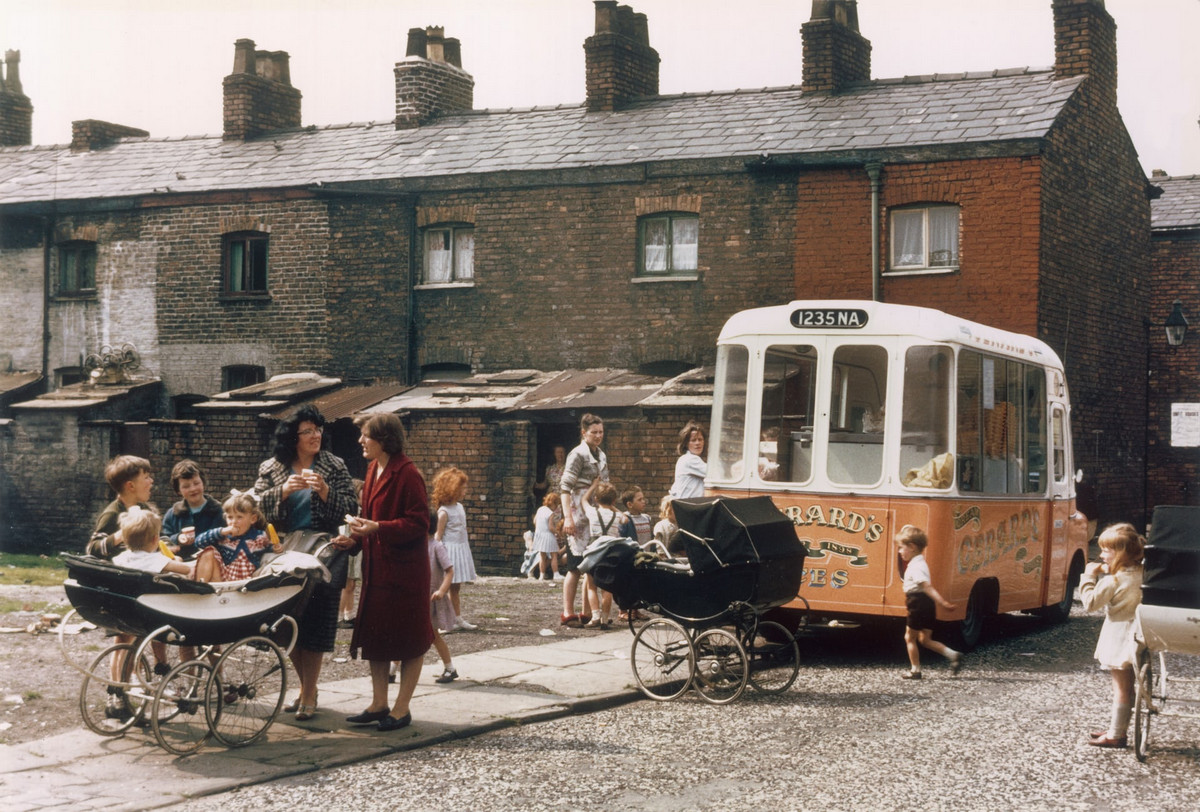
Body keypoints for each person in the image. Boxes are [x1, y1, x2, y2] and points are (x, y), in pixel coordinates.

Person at [254, 404, 358, 722]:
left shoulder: (333, 465)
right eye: (308, 431)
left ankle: (310, 692)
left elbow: (351, 507)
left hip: (324, 549)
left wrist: (325, 491)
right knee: (288, 623)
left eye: (318, 430)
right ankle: (303, 688)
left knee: (315, 621)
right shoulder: (272, 468)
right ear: (293, 436)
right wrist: (281, 492)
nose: (315, 436)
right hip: (284, 549)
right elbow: (254, 510)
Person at [336, 412, 432, 732]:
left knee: (408, 639)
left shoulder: (408, 474)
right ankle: (379, 704)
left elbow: (419, 523)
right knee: (376, 638)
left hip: (405, 573)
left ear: (384, 439)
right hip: (377, 571)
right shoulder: (372, 469)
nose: (360, 441)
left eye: (366, 436)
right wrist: (351, 539)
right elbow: (368, 520)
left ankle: (402, 708)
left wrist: (379, 527)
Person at [1080, 522, 1145, 748]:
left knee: (1121, 688)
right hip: (1140, 635)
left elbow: (1089, 603)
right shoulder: (1142, 574)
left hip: (1119, 637)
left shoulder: (1113, 581)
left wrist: (1089, 576)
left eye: (1106, 550)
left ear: (1120, 553)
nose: (1101, 554)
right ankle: (1117, 728)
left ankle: (1117, 734)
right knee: (1128, 687)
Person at [559, 413, 609, 627]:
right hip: (577, 510)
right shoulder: (577, 454)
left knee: (591, 564)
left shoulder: (602, 455)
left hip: (594, 511)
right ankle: (567, 612)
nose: (598, 436)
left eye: (600, 432)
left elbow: (605, 485)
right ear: (583, 433)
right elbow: (564, 488)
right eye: (594, 432)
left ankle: (587, 611)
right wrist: (567, 518)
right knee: (574, 565)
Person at [896, 524, 962, 679]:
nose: (899, 552)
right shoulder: (920, 562)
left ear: (912, 547)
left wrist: (943, 602)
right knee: (925, 640)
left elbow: (927, 587)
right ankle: (953, 655)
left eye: (901, 548)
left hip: (917, 603)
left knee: (909, 638)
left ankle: (915, 670)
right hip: (926, 605)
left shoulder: (916, 567)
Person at [191, 491, 280, 582]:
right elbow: (198, 542)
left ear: (253, 519)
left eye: (239, 517)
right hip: (223, 580)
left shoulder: (260, 537)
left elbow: (269, 547)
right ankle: (200, 587)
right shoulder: (224, 537)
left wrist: (275, 548)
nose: (234, 521)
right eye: (230, 517)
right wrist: (221, 531)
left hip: (246, 582)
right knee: (209, 552)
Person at [431, 467, 479, 632]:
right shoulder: (443, 512)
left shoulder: (459, 507)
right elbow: (438, 536)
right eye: (462, 487)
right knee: (445, 587)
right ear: (452, 488)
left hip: (460, 549)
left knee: (456, 587)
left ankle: (457, 618)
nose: (465, 490)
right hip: (449, 552)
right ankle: (444, 622)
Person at [89, 455, 155, 556]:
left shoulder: (145, 509)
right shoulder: (112, 514)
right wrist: (123, 534)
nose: (151, 481)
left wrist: (169, 547)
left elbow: (158, 536)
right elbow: (92, 548)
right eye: (146, 477)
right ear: (131, 486)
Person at [161, 460, 223, 558]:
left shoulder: (218, 511)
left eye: (196, 483)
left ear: (203, 482)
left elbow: (223, 540)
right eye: (186, 486)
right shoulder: (172, 514)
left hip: (211, 564)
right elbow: (164, 541)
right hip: (180, 565)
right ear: (178, 490)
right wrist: (178, 538)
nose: (193, 489)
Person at [582, 480, 622, 629]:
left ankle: (595, 616)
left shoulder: (593, 512)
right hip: (610, 553)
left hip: (594, 552)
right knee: (607, 588)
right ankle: (605, 619)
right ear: (613, 500)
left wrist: (593, 486)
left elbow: (583, 500)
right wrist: (612, 505)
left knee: (591, 586)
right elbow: (625, 517)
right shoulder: (617, 517)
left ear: (596, 499)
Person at [112, 507, 194, 578]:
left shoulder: (121, 558)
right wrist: (178, 561)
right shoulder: (156, 560)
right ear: (155, 539)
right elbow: (188, 569)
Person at [428, 523, 458, 683]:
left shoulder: (436, 546)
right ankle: (393, 669)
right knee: (410, 634)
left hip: (431, 598)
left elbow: (449, 570)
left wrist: (442, 590)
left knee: (433, 635)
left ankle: (450, 667)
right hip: (418, 597)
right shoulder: (414, 546)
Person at [339, 478, 366, 629]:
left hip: (356, 551)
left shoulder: (363, 511)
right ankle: (339, 616)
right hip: (349, 549)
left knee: (352, 583)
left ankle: (348, 615)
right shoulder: (349, 512)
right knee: (347, 583)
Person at [668, 421, 707, 499]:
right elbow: (714, 475)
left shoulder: (685, 459)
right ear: (686, 443)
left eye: (700, 439)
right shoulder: (690, 460)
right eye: (693, 440)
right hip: (688, 506)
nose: (697, 443)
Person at [532, 492, 563, 582]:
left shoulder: (540, 509)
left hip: (539, 535)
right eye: (556, 504)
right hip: (548, 535)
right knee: (554, 555)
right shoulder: (550, 513)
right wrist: (557, 532)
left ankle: (541, 575)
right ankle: (556, 574)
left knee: (542, 556)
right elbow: (550, 527)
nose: (557, 507)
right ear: (553, 503)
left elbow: (534, 521)